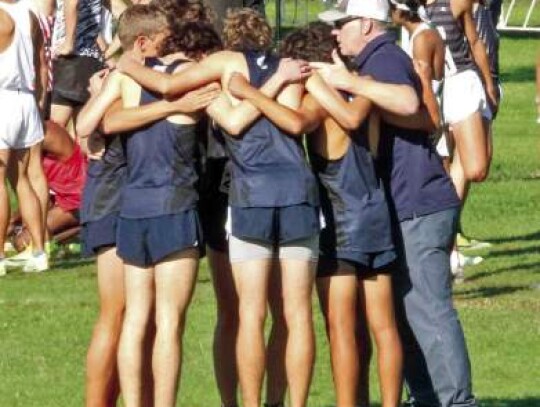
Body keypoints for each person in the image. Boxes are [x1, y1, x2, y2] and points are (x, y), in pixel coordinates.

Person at [117, 8, 317, 407]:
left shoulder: (220, 69)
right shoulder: (290, 68)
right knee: (294, 314)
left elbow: (161, 93)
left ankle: (240, 402)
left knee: (244, 313)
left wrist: (125, 65)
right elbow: (297, 123)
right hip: (288, 191)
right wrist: (277, 83)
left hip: (237, 196)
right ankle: (285, 402)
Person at [228, 21, 404, 407]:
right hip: (376, 210)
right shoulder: (362, 91)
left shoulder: (320, 100)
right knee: (384, 326)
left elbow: (295, 123)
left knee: (339, 328)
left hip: (339, 220)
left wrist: (251, 93)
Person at [313, 1, 477, 407]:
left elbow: (406, 103)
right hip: (410, 204)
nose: (336, 34)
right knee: (407, 313)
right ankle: (426, 398)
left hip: (418, 204)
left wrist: (349, 83)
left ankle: (457, 402)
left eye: (342, 25)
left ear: (366, 24)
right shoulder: (377, 58)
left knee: (428, 310)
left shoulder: (381, 58)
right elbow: (420, 116)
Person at [0, 0, 48, 275]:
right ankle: (39, 250)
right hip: (26, 99)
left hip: (4, 96)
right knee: (24, 178)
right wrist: (40, 103)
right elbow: (41, 62)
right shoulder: (28, 14)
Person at [50, 0, 103, 133]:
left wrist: (68, 43)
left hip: (71, 60)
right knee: (84, 134)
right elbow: (125, 11)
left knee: (54, 130)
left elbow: (71, 2)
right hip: (92, 59)